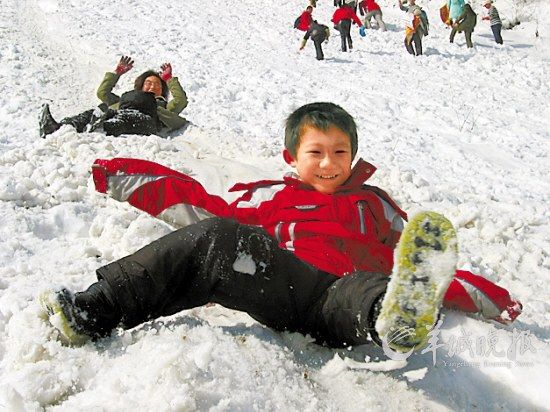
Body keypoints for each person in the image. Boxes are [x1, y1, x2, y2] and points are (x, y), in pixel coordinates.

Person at [40, 102, 522, 352]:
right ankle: (95, 311)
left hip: (345, 297)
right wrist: (129, 177)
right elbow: (203, 209)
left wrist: (490, 299)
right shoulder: (271, 195)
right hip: (285, 284)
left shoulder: (374, 206)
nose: (330, 164)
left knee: (375, 287)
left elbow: (424, 264)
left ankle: (393, 321)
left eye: (340, 153)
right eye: (317, 153)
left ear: (353, 156)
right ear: (293, 158)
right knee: (221, 239)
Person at [39, 56, 188, 139]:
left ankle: (100, 128)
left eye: (157, 85)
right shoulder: (124, 100)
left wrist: (169, 79)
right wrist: (117, 73)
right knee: (94, 112)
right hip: (120, 112)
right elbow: (102, 93)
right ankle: (59, 127)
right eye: (148, 83)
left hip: (146, 121)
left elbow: (181, 100)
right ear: (141, 86)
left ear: (162, 91)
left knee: (126, 118)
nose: (152, 87)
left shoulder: (163, 107)